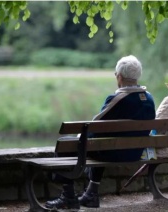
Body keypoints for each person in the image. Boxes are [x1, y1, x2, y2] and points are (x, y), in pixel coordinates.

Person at [45, 55, 156, 209]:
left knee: (68, 144)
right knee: (103, 141)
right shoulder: (149, 99)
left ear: (120, 76)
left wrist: (79, 138)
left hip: (115, 153)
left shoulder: (118, 99)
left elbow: (94, 126)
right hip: (135, 152)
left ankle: (68, 196)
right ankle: (91, 193)